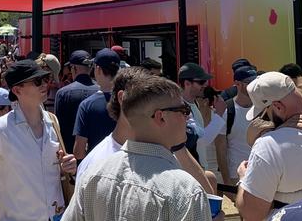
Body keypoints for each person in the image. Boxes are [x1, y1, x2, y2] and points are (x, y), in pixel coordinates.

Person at [62, 74, 214, 220]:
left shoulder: (93, 174)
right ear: (161, 117)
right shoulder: (186, 191)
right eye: (183, 110)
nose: (187, 117)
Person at [0, 60, 77, 221]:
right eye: (37, 81)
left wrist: (68, 167)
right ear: (17, 90)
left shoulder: (52, 121)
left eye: (45, 79)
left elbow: (53, 173)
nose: (44, 85)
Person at [236, 71, 302, 220]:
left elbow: (252, 214)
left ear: (278, 106)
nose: (265, 119)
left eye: (265, 113)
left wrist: (244, 178)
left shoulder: (268, 145)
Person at [214, 65, 256, 192]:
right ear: (237, 84)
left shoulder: (262, 108)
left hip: (261, 174)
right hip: (236, 176)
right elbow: (220, 149)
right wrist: (227, 182)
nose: (254, 85)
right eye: (249, 82)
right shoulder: (227, 111)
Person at [73, 48, 120, 159]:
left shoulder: (87, 105)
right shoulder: (131, 101)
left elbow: (78, 152)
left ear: (98, 69)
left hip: (98, 168)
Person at [54, 50, 99, 154]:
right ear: (90, 68)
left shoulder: (63, 93)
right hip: (97, 154)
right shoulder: (101, 91)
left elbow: (58, 127)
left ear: (73, 68)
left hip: (71, 153)